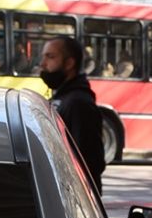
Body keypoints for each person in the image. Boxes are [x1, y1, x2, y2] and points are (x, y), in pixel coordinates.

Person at [39, 35, 105, 195]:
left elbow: (88, 162)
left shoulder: (78, 103)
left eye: (50, 57)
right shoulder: (63, 98)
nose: (43, 64)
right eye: (43, 57)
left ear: (69, 63)